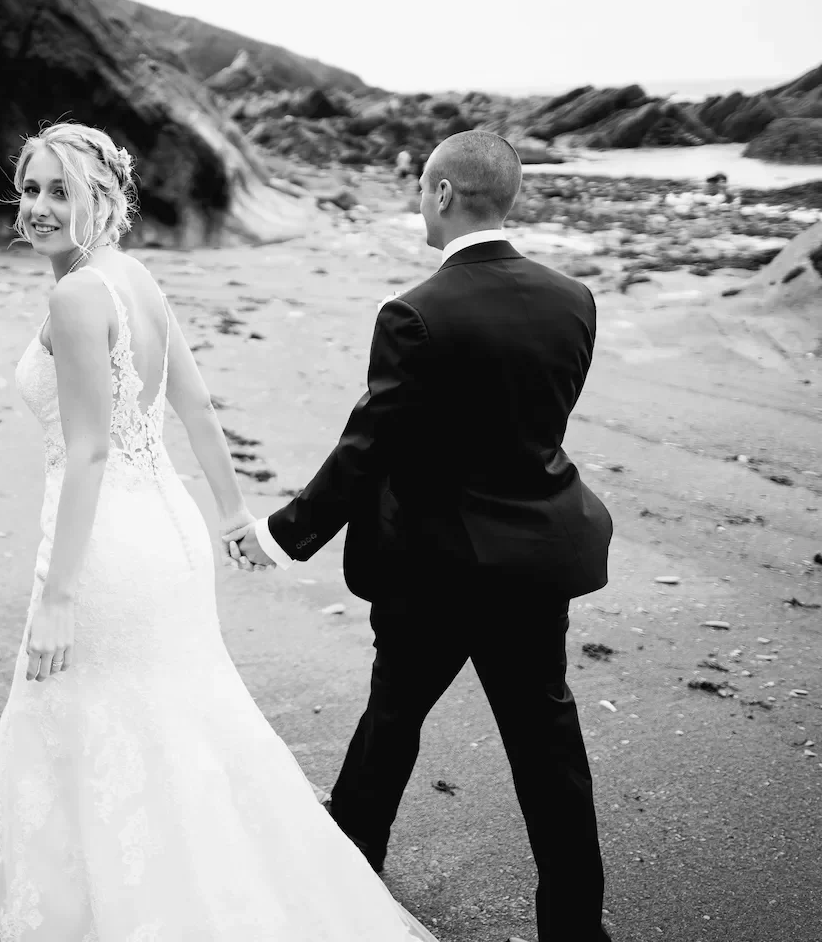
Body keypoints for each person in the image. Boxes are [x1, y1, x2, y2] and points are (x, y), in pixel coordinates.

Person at [0, 121, 441, 941]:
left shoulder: (78, 295)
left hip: (107, 545)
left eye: (59, 191)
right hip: (170, 534)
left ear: (105, 199)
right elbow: (192, 404)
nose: (38, 207)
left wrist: (57, 595)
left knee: (104, 706)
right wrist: (227, 514)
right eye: (31, 189)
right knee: (177, 710)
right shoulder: (136, 278)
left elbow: (85, 453)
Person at [232, 130, 615, 942]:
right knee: (550, 757)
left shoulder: (413, 311)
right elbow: (536, 422)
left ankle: (345, 887)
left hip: (434, 571)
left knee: (390, 726)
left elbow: (371, 444)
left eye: (421, 190)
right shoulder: (573, 299)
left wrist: (282, 534)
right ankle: (577, 932)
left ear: (441, 194)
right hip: (537, 565)